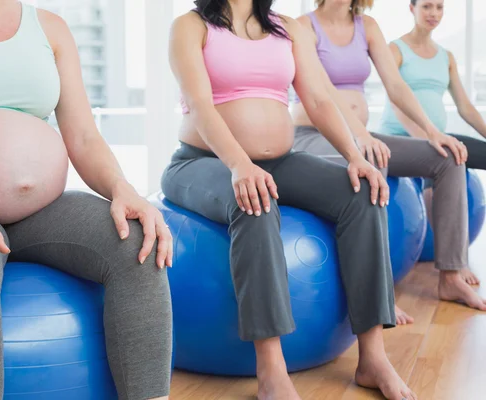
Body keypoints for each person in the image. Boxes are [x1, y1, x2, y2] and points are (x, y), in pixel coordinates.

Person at [0, 0, 173, 399]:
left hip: (41, 213)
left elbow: (85, 138)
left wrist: (122, 187)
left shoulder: (49, 28)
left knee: (137, 241)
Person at [163, 0, 416, 398]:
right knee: (255, 202)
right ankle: (272, 370)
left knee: (363, 195)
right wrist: (239, 164)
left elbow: (317, 100)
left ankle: (373, 357)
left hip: (279, 160)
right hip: (203, 162)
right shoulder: (191, 26)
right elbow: (199, 104)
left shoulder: (287, 29)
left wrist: (355, 156)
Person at [292, 0, 486, 322]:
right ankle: (379, 296)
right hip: (313, 136)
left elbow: (395, 85)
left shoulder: (366, 27)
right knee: (372, 163)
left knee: (449, 159)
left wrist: (431, 132)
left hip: (361, 137)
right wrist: (358, 137)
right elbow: (323, 90)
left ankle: (451, 276)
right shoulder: (303, 27)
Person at [378, 0, 486, 171]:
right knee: (443, 156)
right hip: (400, 138)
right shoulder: (395, 50)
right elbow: (396, 100)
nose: (433, 13)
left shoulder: (446, 57)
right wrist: (427, 138)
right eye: (426, 6)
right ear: (412, 8)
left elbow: (465, 107)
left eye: (439, 7)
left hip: (436, 138)